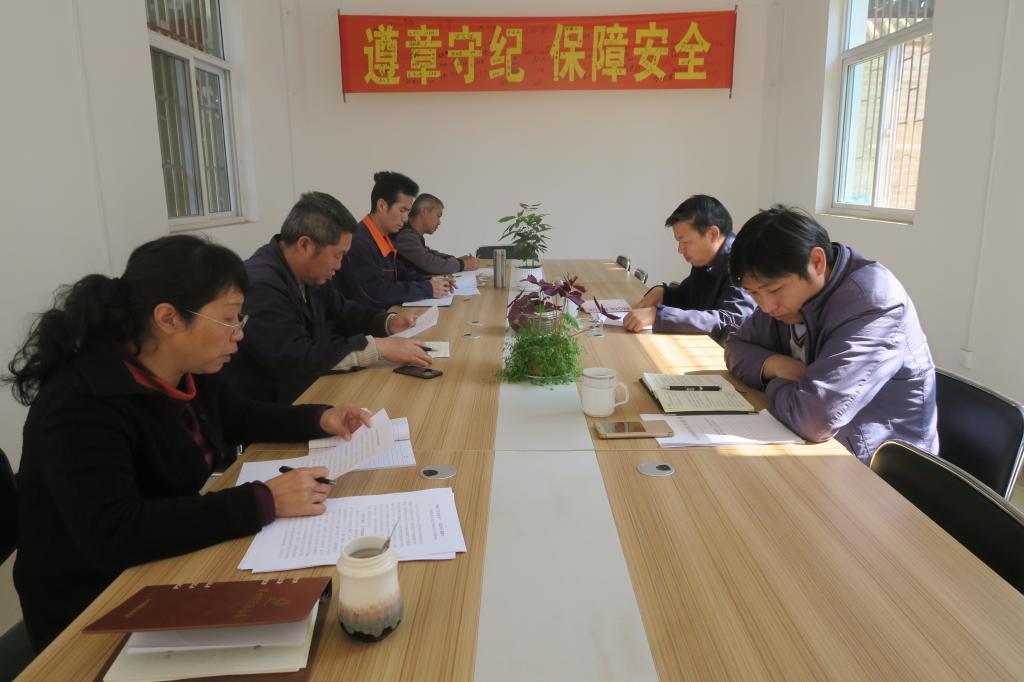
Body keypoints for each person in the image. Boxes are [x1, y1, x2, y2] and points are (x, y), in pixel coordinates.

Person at [5, 235, 372, 651]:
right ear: (168, 318)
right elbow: (116, 532)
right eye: (229, 319)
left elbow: (238, 415)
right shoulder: (81, 403)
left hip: (165, 562)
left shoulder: (183, 368)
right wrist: (262, 500)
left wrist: (318, 417)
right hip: (91, 611)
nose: (239, 334)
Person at [724, 206, 938, 463]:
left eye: (775, 290)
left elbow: (815, 419)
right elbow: (736, 346)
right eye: (754, 294)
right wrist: (776, 365)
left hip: (882, 468)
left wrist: (774, 384)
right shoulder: (787, 302)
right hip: (824, 449)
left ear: (816, 262)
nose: (767, 306)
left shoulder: (873, 302)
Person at [223, 191, 432, 403]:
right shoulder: (260, 285)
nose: (339, 266)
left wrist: (388, 322)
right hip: (275, 406)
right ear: (305, 245)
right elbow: (296, 356)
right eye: (337, 255)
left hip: (310, 390)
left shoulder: (308, 273)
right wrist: (378, 348)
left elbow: (343, 310)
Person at [623, 195, 754, 343]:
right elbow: (686, 297)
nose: (680, 249)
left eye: (685, 242)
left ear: (712, 234)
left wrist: (658, 316)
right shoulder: (706, 259)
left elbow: (730, 321)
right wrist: (663, 293)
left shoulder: (742, 263)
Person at [334, 171, 452, 309]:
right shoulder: (358, 242)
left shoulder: (385, 238)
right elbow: (376, 293)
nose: (406, 218)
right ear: (382, 206)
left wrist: (433, 282)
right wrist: (427, 289)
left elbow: (401, 274)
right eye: (402, 210)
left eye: (408, 211)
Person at [394, 193, 480, 281]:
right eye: (438, 216)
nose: (439, 222)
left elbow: (429, 254)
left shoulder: (411, 233)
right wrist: (463, 264)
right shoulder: (405, 235)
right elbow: (431, 264)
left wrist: (455, 260)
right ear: (424, 212)